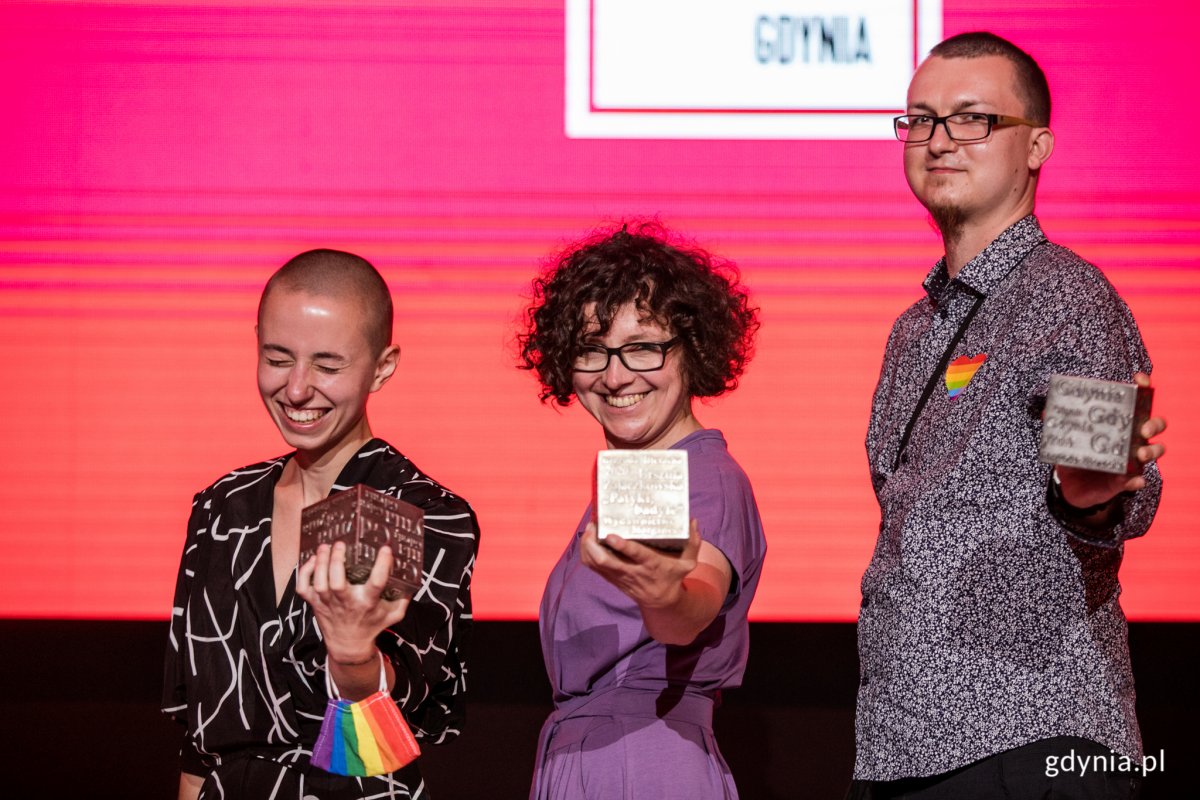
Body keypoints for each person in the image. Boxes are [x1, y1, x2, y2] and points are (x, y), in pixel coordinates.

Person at [850, 32, 1168, 799]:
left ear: (1037, 147)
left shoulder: (1067, 297)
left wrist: (1092, 494)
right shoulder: (915, 330)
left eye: (973, 120)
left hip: (1032, 733)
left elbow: (1108, 486)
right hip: (909, 742)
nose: (938, 140)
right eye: (921, 120)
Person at [162, 249, 480, 799]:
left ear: (383, 366)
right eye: (278, 358)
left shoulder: (412, 509)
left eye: (328, 366)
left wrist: (354, 655)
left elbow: (385, 741)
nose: (298, 389)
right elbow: (200, 735)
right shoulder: (224, 506)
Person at [518, 223, 767, 799]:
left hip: (645, 761)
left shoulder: (704, 476)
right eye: (592, 349)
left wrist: (665, 597)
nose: (614, 375)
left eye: (643, 347)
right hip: (591, 756)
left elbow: (692, 604)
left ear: (693, 348)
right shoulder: (637, 480)